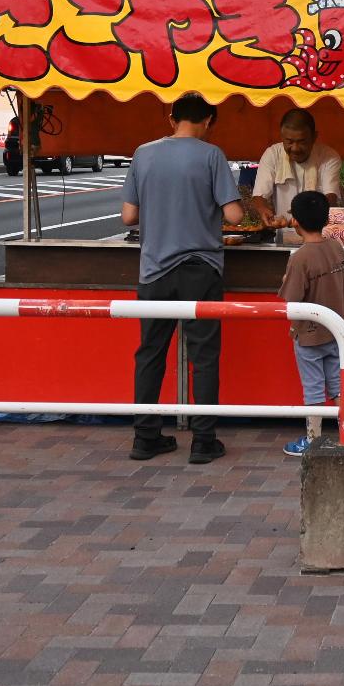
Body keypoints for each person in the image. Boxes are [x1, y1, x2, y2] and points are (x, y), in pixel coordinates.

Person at [120, 93, 246, 464]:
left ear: (171, 118)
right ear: (208, 120)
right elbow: (236, 217)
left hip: (154, 271)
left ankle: (145, 438)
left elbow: (129, 216)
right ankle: (203, 442)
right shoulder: (211, 155)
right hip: (199, 269)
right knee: (204, 355)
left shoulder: (143, 154)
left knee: (150, 353)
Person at [278, 191, 344, 457]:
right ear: (326, 218)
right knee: (338, 383)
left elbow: (291, 301)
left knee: (312, 388)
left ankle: (313, 440)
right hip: (338, 331)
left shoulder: (299, 259)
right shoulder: (336, 247)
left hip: (309, 336)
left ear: (294, 221)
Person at [248, 107, 342, 235]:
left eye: (302, 142)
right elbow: (258, 196)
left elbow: (331, 197)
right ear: (282, 137)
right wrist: (263, 209)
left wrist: (305, 212)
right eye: (289, 142)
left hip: (318, 235)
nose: (295, 148)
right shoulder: (272, 154)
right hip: (283, 234)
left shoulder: (329, 157)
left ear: (314, 137)